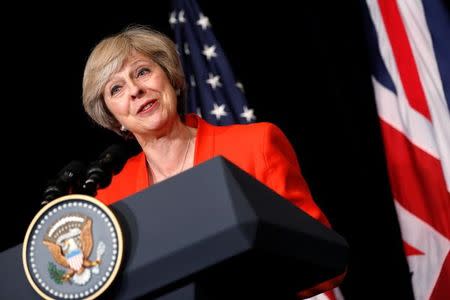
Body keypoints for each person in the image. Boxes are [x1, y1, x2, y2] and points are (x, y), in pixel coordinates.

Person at [82, 25, 345, 298]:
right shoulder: (108, 199)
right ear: (113, 118)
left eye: (143, 72)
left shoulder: (256, 145)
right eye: (116, 89)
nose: (135, 90)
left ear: (170, 77)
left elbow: (323, 256)